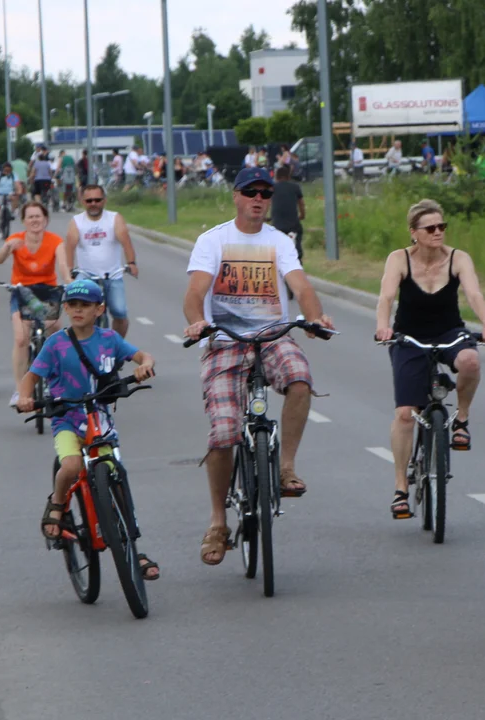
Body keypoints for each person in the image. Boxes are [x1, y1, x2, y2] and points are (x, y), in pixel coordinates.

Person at [183, 167, 336, 566]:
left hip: (273, 336)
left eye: (265, 193)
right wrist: (197, 320)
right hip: (225, 342)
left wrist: (315, 317)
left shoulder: (279, 241)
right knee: (224, 434)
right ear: (235, 196)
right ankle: (217, 522)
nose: (258, 198)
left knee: (301, 379)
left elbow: (300, 286)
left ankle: (286, 467)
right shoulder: (212, 240)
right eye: (250, 191)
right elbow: (195, 292)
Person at [15, 278, 160, 580]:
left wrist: (144, 365)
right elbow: (31, 376)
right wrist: (25, 397)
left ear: (99, 309)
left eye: (86, 305)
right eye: (73, 305)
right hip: (67, 417)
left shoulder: (109, 339)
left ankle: (131, 544)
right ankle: (57, 503)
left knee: (115, 475)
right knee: (70, 465)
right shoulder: (56, 343)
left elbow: (142, 356)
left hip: (99, 418)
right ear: (65, 308)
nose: (78, 310)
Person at [374, 199, 485, 518]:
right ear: (414, 233)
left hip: (448, 332)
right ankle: (401, 488)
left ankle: (461, 419)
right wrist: (383, 326)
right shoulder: (399, 259)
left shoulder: (458, 258)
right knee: (405, 413)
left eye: (442, 226)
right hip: (409, 336)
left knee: (471, 360)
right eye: (430, 228)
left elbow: (474, 294)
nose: (438, 232)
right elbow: (387, 295)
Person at [0, 202, 70, 407]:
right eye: (30, 217)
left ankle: (50, 379)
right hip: (21, 291)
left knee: (55, 329)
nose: (35, 220)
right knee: (21, 338)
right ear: (23, 221)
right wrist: (8, 247)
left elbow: (63, 266)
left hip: (48, 291)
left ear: (45, 220)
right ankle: (20, 390)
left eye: (39, 216)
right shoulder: (16, 239)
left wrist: (70, 282)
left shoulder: (55, 241)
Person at [65, 185, 139, 337]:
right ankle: (82, 343)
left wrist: (131, 263)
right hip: (87, 275)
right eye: (89, 200)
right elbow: (70, 247)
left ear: (104, 201)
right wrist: (70, 270)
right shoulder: (77, 221)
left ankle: (117, 346)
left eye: (97, 200)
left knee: (120, 312)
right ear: (83, 201)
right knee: (78, 308)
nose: (93, 203)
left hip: (112, 275)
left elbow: (126, 241)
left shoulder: (114, 218)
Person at [269, 165, 305, 263]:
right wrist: (302, 215)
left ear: (276, 177)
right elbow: (301, 203)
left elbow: (266, 202)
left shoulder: (272, 188)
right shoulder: (295, 187)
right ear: (288, 176)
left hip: (277, 225)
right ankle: (298, 254)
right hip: (293, 225)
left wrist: (265, 217)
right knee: (298, 233)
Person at [0, 163, 21, 233]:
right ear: (3, 170)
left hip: (9, 193)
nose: (7, 172)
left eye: (9, 171)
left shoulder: (13, 175)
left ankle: (12, 212)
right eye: (5, 170)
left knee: (15, 198)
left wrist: (19, 191)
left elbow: (17, 184)